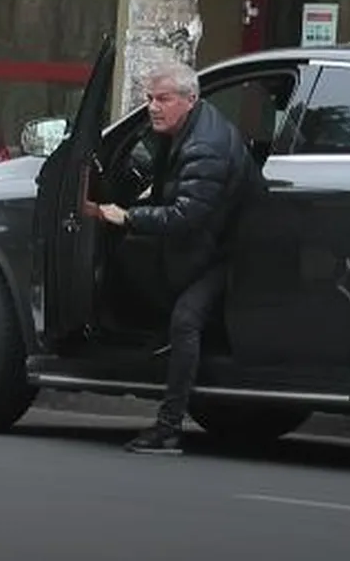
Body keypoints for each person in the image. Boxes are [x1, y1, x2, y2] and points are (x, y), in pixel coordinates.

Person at [95, 59, 266, 455]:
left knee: (185, 320)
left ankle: (169, 427)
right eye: (149, 98)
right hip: (212, 243)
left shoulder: (205, 147)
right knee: (138, 270)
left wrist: (128, 216)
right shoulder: (186, 130)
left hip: (235, 254)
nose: (153, 107)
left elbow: (186, 216)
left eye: (163, 99)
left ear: (190, 100)